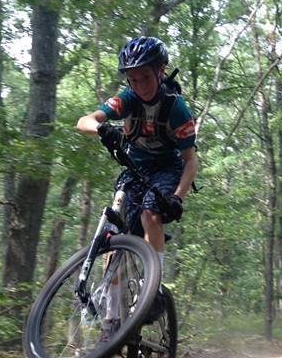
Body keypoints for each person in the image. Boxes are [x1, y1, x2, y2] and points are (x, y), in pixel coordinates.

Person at [76, 36, 198, 335]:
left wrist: (178, 197)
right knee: (115, 237)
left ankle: (151, 289)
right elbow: (84, 120)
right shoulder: (127, 98)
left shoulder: (176, 108)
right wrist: (101, 128)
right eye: (133, 79)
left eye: (145, 77)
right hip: (135, 167)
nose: (139, 84)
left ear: (160, 71)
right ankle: (111, 319)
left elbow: (191, 161)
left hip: (168, 167)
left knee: (149, 213)